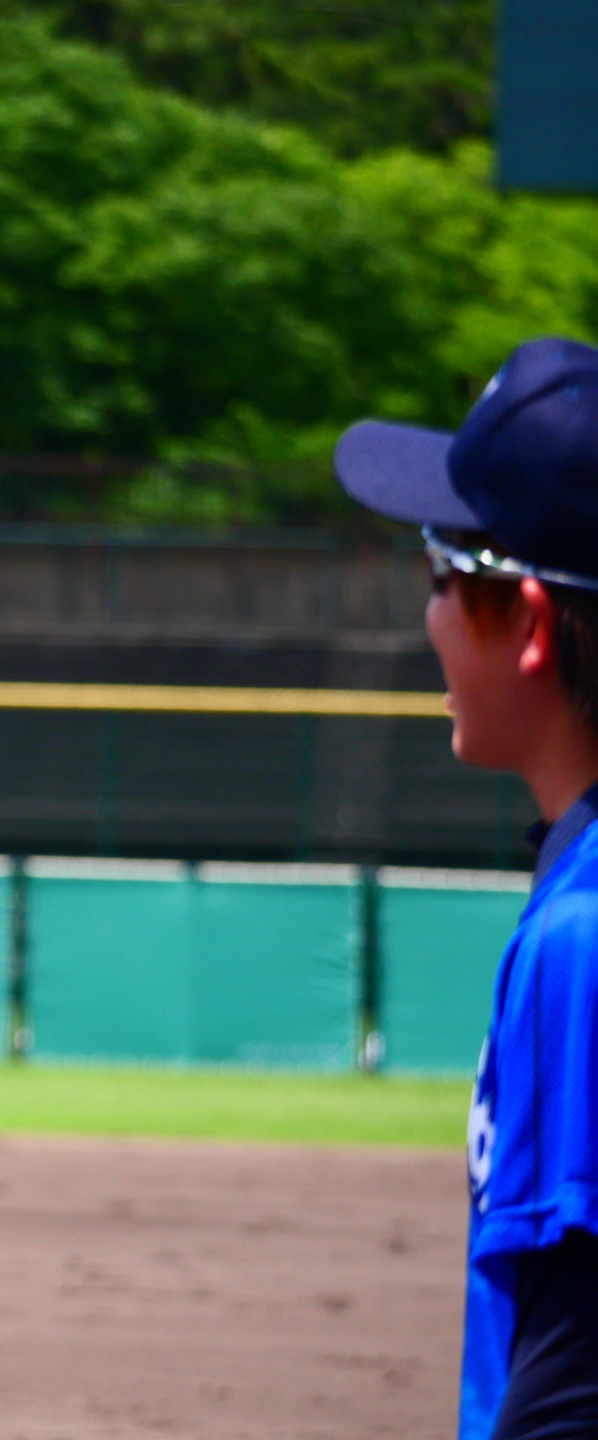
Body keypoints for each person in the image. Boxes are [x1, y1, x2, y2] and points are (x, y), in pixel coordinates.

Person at [334, 337, 598, 1440]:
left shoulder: (583, 937)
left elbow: (575, 1381)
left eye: (443, 575)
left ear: (529, 622)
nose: (431, 616)